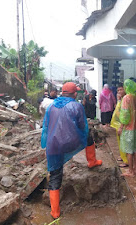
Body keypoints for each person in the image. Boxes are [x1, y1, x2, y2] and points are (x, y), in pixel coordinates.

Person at [41, 82, 87, 219]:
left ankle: (55, 212)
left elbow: (46, 127)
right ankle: (92, 161)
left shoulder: (51, 106)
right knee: (89, 137)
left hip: (53, 145)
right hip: (71, 143)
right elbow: (82, 126)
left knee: (55, 175)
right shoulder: (77, 106)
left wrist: (46, 144)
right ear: (74, 94)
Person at [118, 79, 136, 177]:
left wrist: (121, 126)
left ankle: (130, 171)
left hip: (129, 128)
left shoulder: (126, 98)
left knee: (129, 150)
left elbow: (125, 114)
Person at [110, 83, 128, 168]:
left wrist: (121, 126)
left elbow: (123, 113)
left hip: (123, 124)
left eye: (121, 89)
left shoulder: (126, 99)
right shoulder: (121, 99)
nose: (119, 92)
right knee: (120, 142)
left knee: (124, 143)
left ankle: (126, 160)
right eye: (118, 90)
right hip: (119, 124)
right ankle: (123, 157)